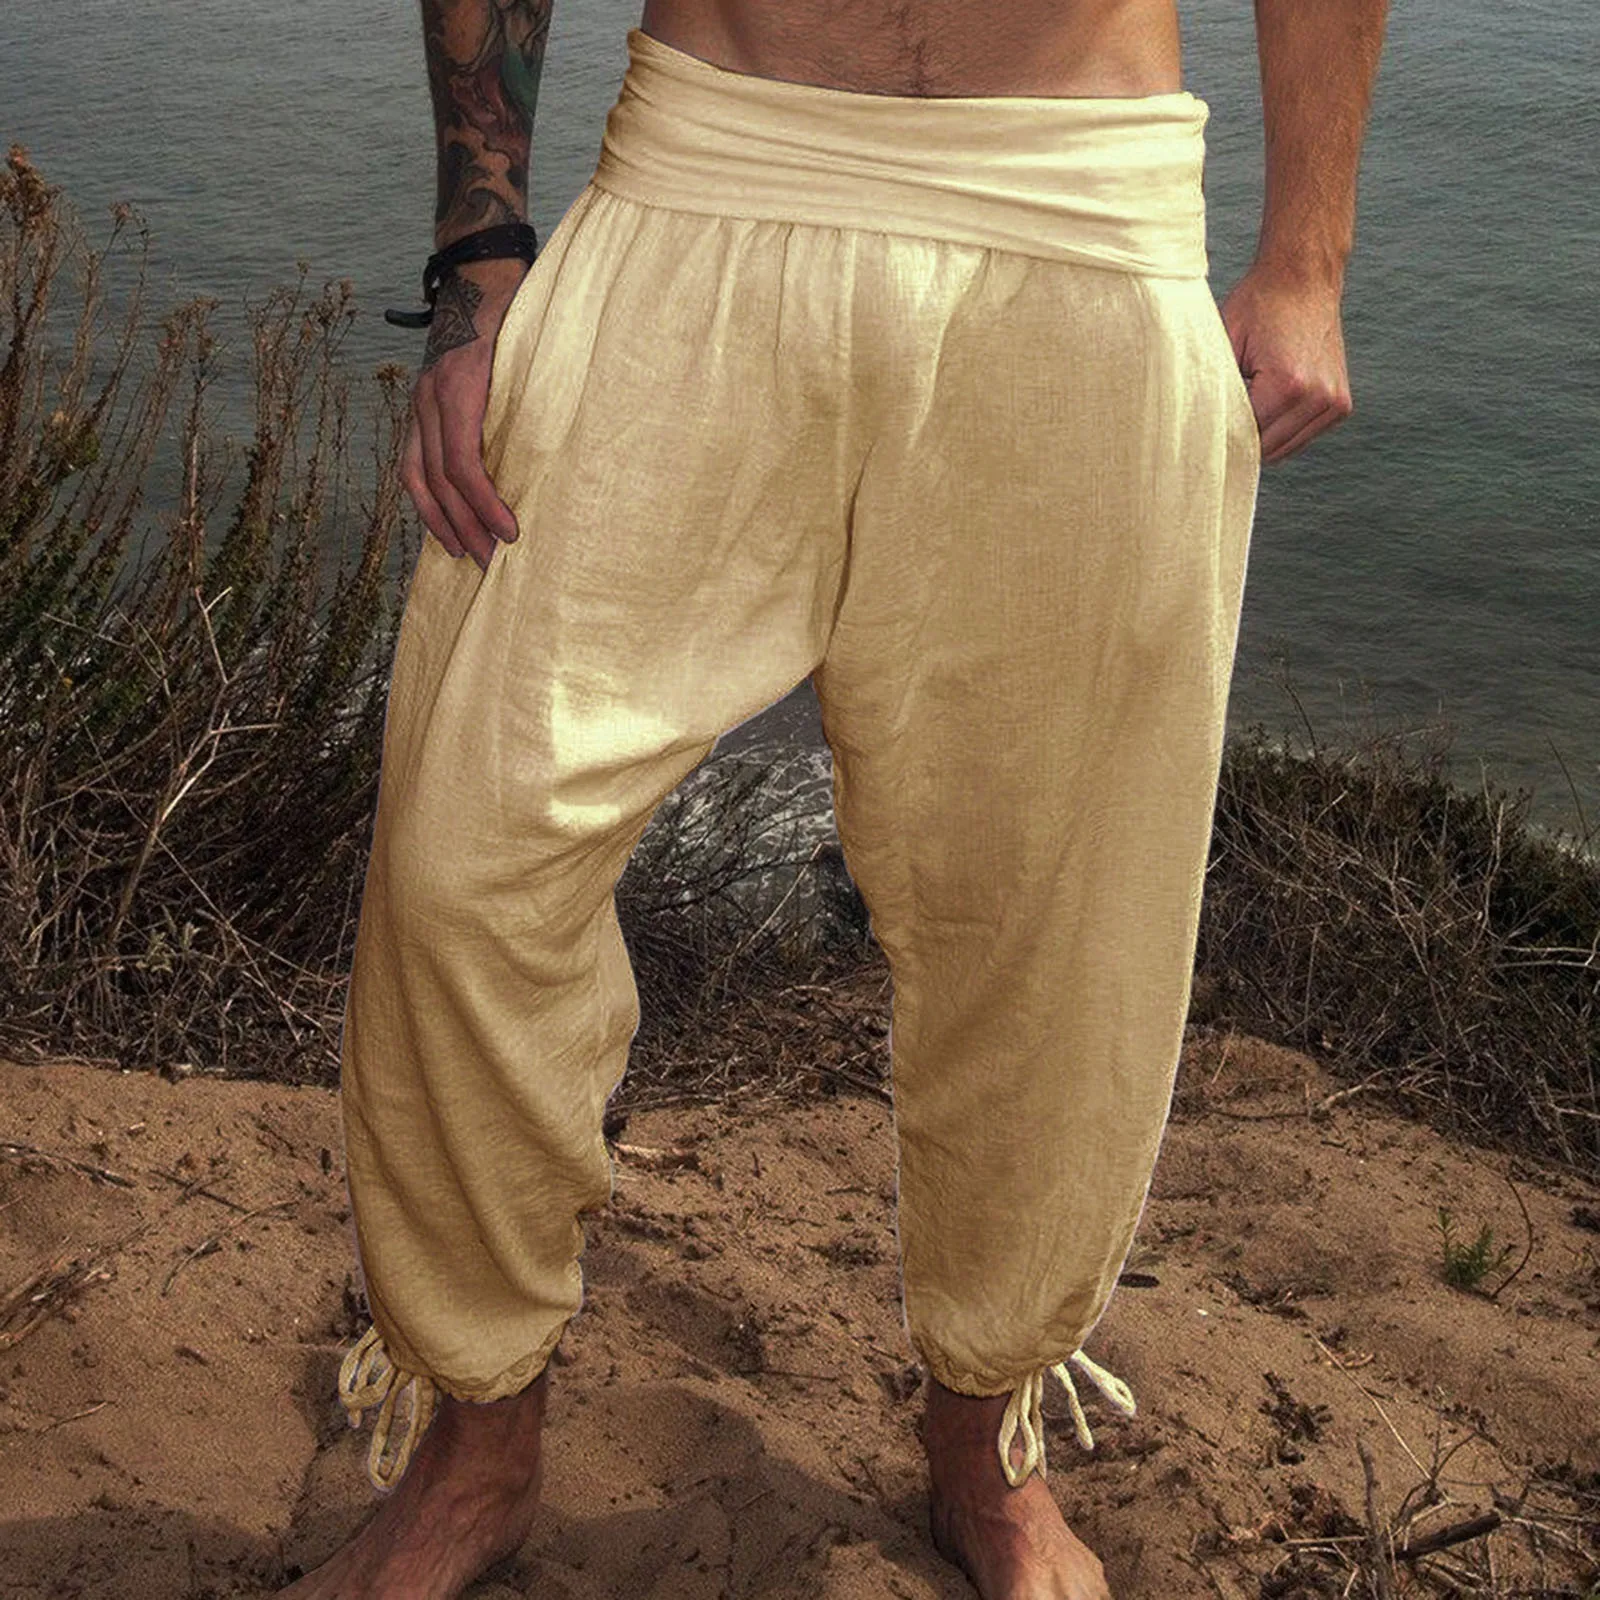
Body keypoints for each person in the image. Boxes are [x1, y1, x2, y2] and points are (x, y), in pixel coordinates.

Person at [280, 0, 1385, 1594]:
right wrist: (479, 261)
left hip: (1074, 202)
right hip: (707, 169)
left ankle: (985, 1441)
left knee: (1051, 905)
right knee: (471, 848)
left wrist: (1306, 261)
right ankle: (480, 1439)